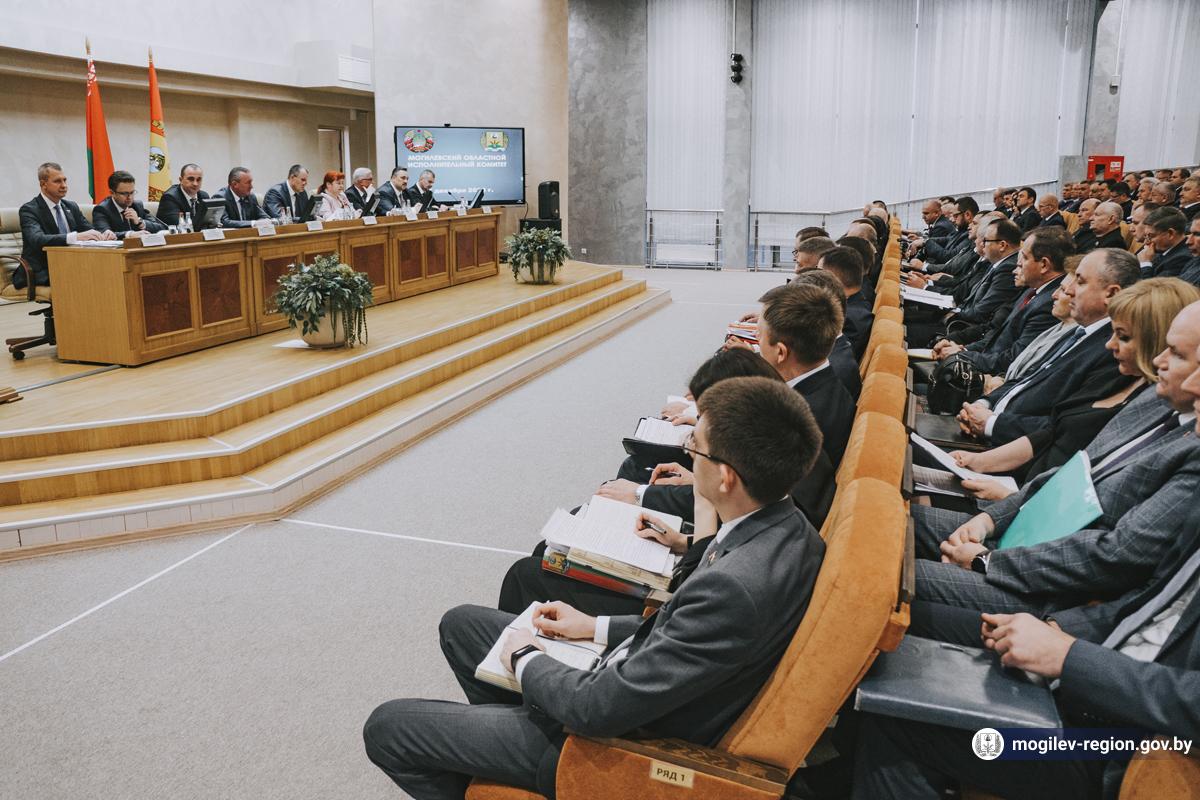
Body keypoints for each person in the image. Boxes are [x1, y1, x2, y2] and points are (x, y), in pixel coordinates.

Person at [363, 376, 826, 799]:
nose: (688, 453)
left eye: (696, 447)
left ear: (726, 477)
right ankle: (517, 736)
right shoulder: (790, 529)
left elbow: (598, 707)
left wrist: (528, 661)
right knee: (462, 625)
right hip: (636, 681)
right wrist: (593, 626)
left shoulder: (734, 587)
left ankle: (537, 756)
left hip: (616, 745)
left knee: (388, 728)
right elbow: (681, 633)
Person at [498, 348, 785, 617]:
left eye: (696, 445)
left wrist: (595, 629)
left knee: (525, 573)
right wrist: (684, 540)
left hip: (658, 602)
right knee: (553, 546)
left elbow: (677, 610)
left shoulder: (737, 574)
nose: (688, 451)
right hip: (679, 574)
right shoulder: (774, 510)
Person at [951, 277, 1200, 499]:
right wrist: (980, 462)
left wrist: (1010, 498)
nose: (1109, 345)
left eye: (1123, 337)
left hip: (1031, 500)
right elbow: (1051, 432)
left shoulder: (1157, 403)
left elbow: (1094, 482)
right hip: (1015, 484)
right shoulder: (1118, 375)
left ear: (1154, 341)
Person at [956, 248, 1140, 445]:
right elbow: (1028, 380)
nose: (1068, 291)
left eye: (1080, 281)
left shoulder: (1113, 351)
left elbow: (1063, 426)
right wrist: (983, 404)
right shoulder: (1079, 333)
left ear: (1111, 294)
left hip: (1010, 445)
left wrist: (991, 424)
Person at [16, 161, 114, 289]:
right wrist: (75, 237)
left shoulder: (70, 206)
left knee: (108, 270)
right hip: (41, 270)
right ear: (43, 184)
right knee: (85, 277)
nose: (64, 185)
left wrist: (104, 234)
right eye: (57, 181)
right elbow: (37, 239)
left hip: (71, 264)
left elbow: (90, 231)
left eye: (65, 180)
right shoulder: (29, 210)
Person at [817, 245, 873, 359]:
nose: (815, 277)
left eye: (819, 273)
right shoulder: (858, 303)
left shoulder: (848, 319)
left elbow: (832, 359)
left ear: (832, 278)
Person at [90, 170, 166, 238]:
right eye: (125, 193)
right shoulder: (102, 209)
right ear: (112, 193)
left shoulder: (137, 206)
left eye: (132, 192)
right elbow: (105, 234)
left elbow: (162, 228)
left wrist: (139, 222)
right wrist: (129, 234)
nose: (130, 197)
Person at [1138, 206, 1191, 278]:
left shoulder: (1182, 259)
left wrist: (1145, 263)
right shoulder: (1162, 251)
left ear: (1170, 234)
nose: (1146, 242)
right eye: (1146, 236)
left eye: (1151, 236)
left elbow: (1152, 285)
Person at [155, 163, 210, 229]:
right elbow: (180, 226)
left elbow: (211, 222)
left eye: (198, 179)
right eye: (191, 179)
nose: (195, 184)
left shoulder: (204, 196)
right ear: (181, 180)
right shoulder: (170, 198)